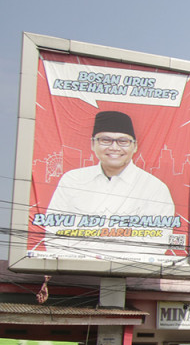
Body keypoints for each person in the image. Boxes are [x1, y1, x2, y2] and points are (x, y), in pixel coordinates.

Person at [41, 110, 178, 260]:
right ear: (93, 144)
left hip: (132, 277)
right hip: (74, 274)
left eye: (123, 141)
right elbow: (54, 233)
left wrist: (109, 258)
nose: (114, 147)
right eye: (105, 140)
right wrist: (89, 259)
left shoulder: (154, 188)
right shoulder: (72, 180)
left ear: (135, 146)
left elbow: (157, 243)